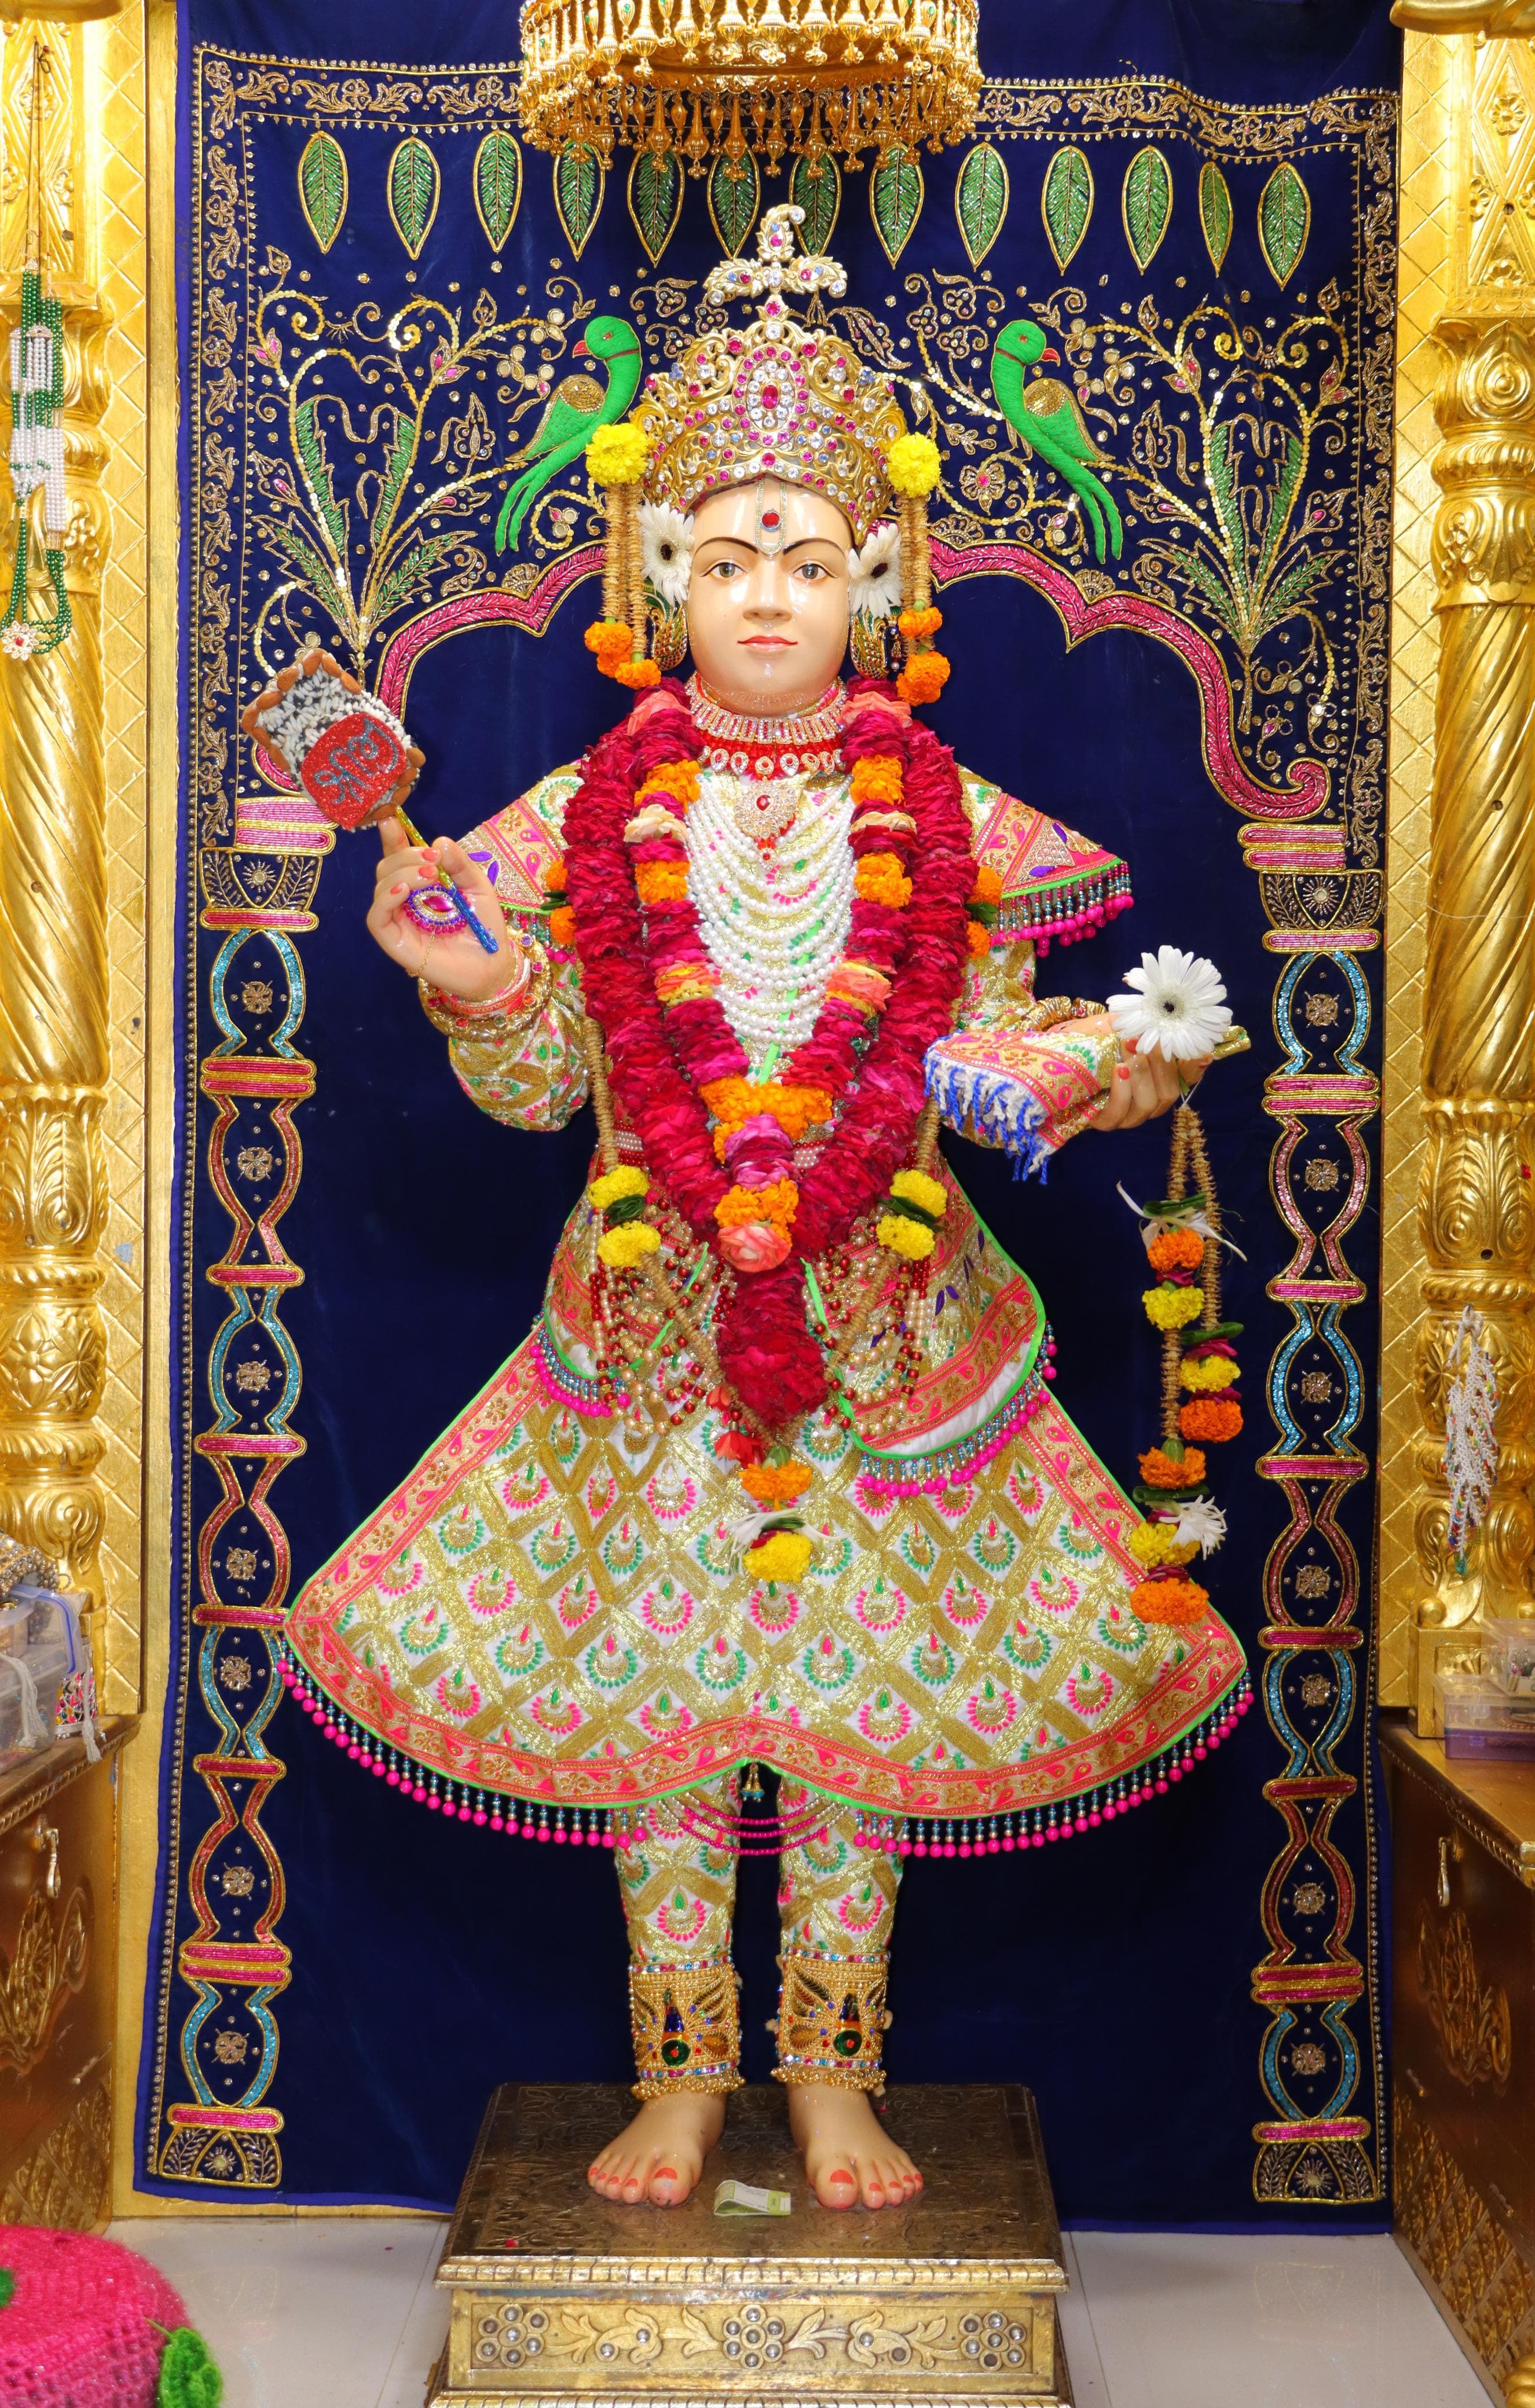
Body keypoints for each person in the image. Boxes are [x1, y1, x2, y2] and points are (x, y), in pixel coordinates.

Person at [279, 208, 1246, 2216]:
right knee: (662, 1713)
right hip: (650, 1328)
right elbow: (545, 1091)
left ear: (877, 580)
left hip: (890, 1330)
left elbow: (976, 1061)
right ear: (662, 582)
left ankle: (827, 2080)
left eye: (806, 557)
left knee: (845, 1719)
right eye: (726, 559)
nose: (769, 594)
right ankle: (683, 2081)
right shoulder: (573, 820)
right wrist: (474, 985)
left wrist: (1103, 1063)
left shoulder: (958, 821)